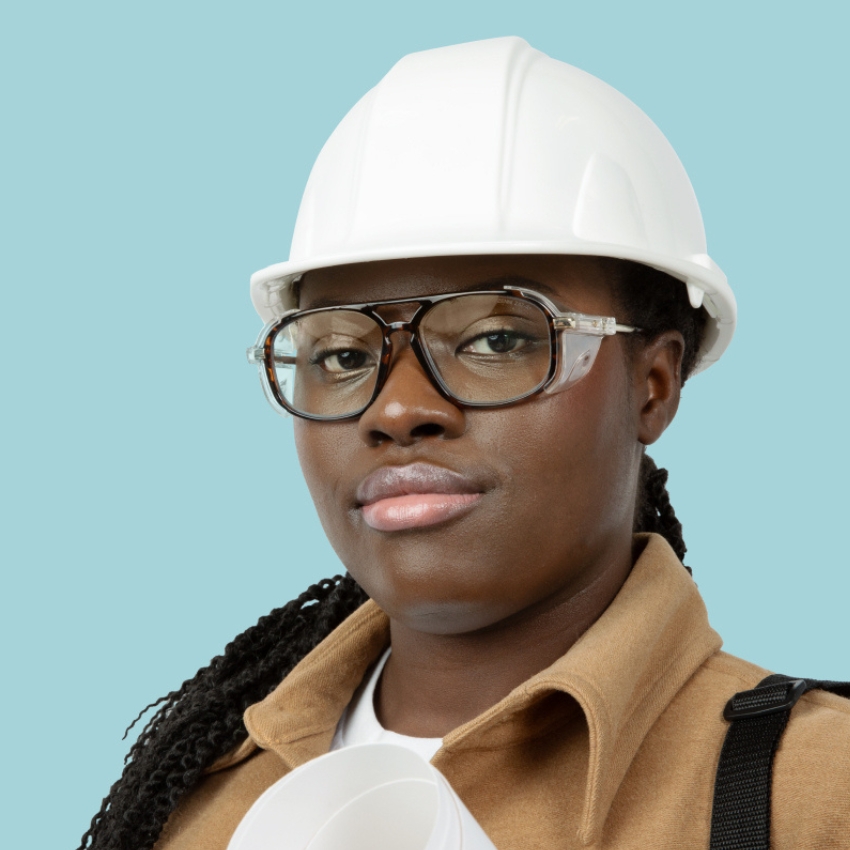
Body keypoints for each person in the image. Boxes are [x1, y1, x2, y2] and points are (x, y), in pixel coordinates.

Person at [78, 37, 850, 850]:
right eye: (343, 355)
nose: (399, 407)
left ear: (653, 385)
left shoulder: (807, 792)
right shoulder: (198, 802)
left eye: (495, 341)